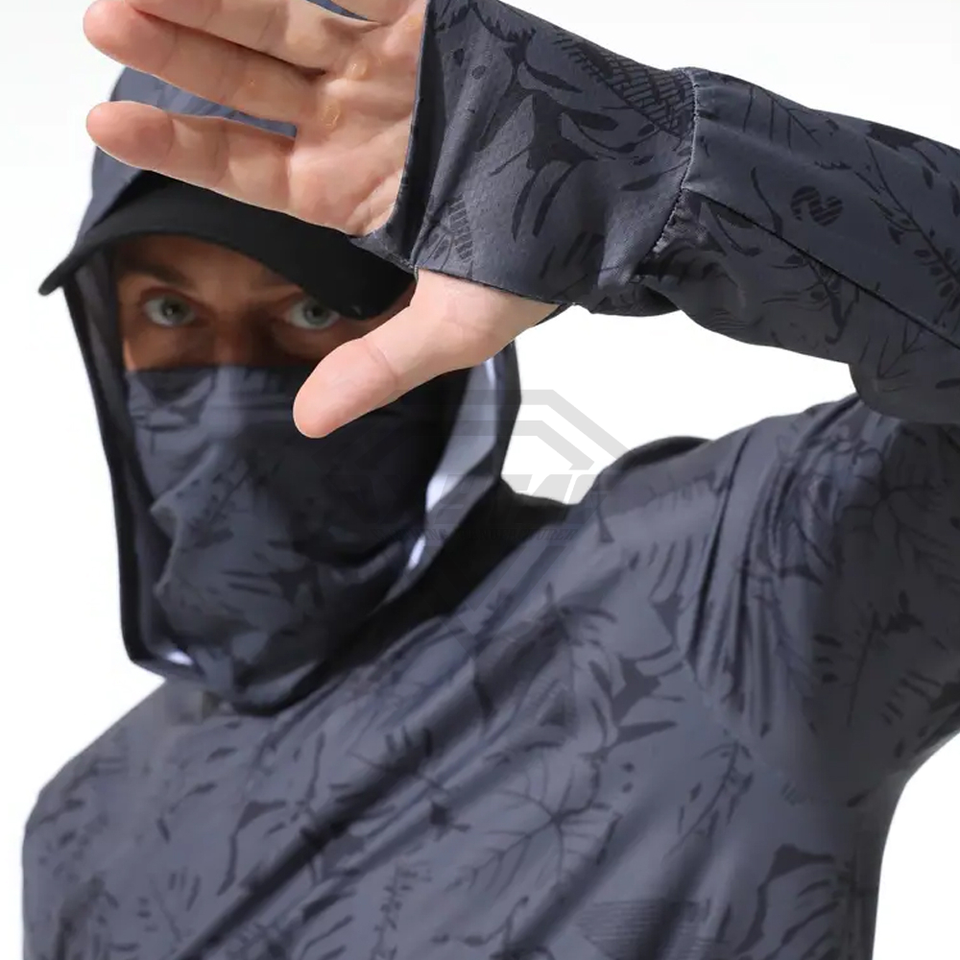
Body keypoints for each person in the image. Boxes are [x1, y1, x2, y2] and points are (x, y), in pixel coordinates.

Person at [21, 0, 959, 957]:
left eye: (311, 307)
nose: (229, 401)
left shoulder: (718, 609)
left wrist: (656, 171)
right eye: (169, 309)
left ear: (429, 320)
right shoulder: (82, 824)